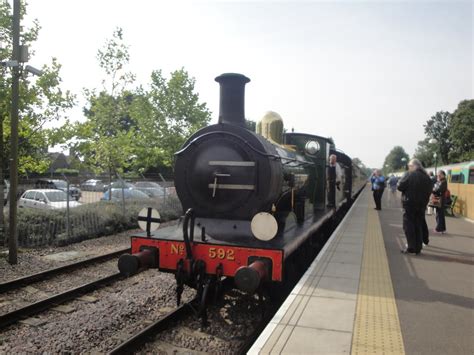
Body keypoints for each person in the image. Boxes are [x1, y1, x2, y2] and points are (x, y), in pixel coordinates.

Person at [397, 159, 433, 255]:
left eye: (409, 166)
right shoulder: (427, 177)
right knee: (418, 225)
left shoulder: (409, 174)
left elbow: (400, 186)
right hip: (421, 205)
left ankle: (411, 247)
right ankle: (418, 248)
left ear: (414, 166)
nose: (409, 168)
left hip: (409, 204)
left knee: (408, 225)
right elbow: (430, 190)